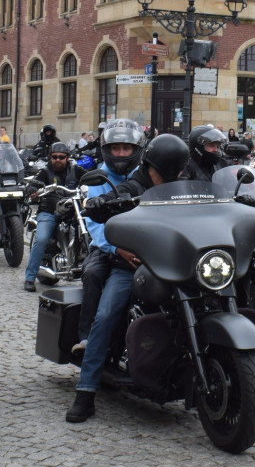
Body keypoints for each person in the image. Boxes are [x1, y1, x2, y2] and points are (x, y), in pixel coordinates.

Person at [66, 133, 190, 423]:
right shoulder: (132, 185)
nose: (169, 178)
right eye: (163, 172)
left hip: (177, 262)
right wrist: (99, 206)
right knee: (106, 314)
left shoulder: (184, 186)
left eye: (177, 172)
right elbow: (110, 200)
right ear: (149, 167)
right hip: (133, 265)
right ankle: (85, 392)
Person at [69, 119, 145, 360]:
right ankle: (87, 338)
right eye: (116, 148)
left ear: (136, 149)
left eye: (126, 148)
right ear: (107, 150)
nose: (121, 153)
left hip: (146, 243)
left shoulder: (143, 174)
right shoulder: (99, 177)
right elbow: (94, 223)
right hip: (108, 247)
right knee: (92, 273)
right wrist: (115, 248)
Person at [22, 142, 86, 291]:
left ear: (67, 157)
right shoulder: (44, 171)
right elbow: (33, 183)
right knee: (42, 238)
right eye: (54, 157)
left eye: (61, 157)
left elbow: (90, 177)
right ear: (50, 157)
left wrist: (99, 178)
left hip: (71, 210)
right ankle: (30, 277)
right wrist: (31, 188)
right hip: (49, 211)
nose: (58, 160)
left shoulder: (75, 169)